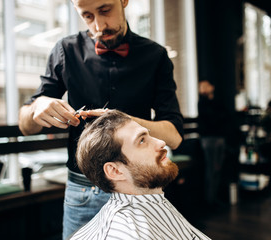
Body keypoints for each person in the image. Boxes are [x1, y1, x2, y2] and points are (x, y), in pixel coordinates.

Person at [18, 0, 183, 239]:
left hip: (140, 188)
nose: (99, 26)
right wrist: (37, 107)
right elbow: (25, 126)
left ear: (124, 1)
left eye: (105, 10)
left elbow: (174, 136)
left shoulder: (156, 56)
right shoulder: (65, 50)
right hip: (83, 190)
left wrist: (121, 121)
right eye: (87, 16)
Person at [70, 110, 210, 240]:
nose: (161, 142)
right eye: (142, 140)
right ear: (115, 171)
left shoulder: (152, 201)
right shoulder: (125, 233)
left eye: (149, 135)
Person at [197, 80, 227, 205]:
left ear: (212, 87)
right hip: (209, 139)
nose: (202, 89)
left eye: (205, 86)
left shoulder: (218, 100)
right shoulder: (202, 102)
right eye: (201, 87)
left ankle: (214, 197)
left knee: (218, 168)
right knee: (211, 169)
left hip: (219, 137)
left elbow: (224, 116)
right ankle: (210, 200)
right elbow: (212, 118)